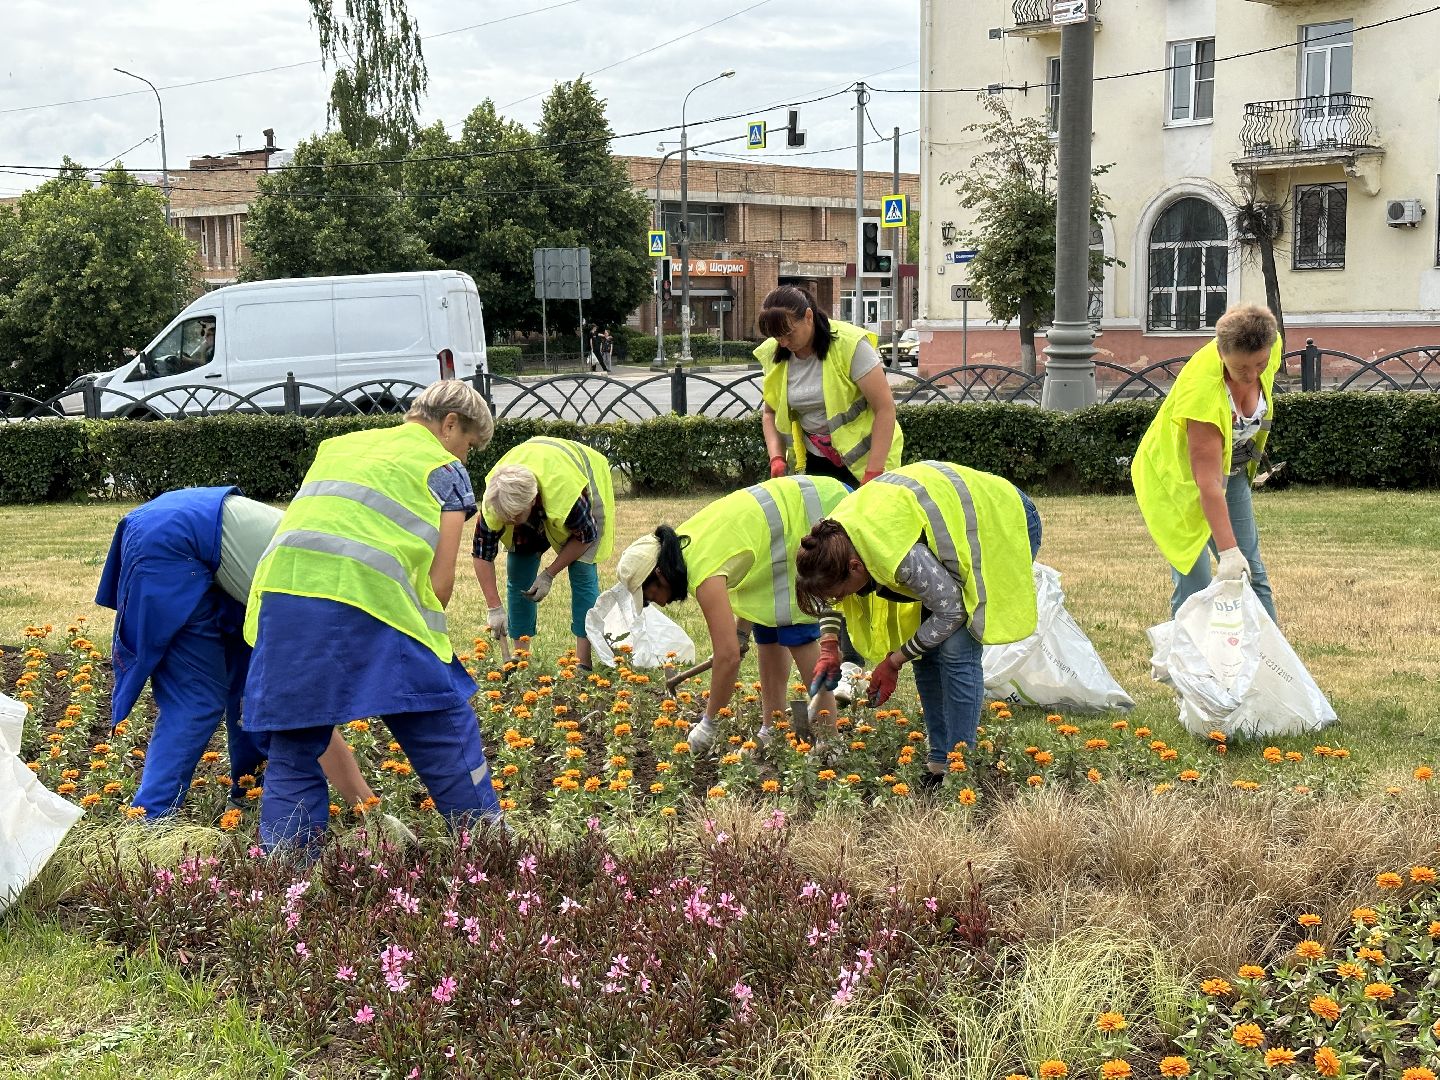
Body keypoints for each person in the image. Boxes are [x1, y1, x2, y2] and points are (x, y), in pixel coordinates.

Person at [243, 380, 501, 851]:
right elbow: (440, 584)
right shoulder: (443, 468)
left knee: (296, 745)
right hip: (366, 598)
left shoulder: (338, 446)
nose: (467, 457)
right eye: (469, 446)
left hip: (283, 600)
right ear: (449, 425)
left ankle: (284, 884)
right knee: (441, 722)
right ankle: (488, 849)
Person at [94, 487, 380, 820]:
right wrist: (367, 807)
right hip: (174, 543)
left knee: (250, 687)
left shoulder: (332, 579)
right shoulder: (318, 603)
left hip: (189, 528)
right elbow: (310, 716)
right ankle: (150, 821)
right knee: (197, 698)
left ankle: (248, 793)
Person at [794, 461, 1042, 788]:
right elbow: (830, 595)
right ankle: (939, 763)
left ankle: (960, 770)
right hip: (945, 532)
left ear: (855, 567)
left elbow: (951, 611)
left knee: (955, 650)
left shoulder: (900, 556)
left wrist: (895, 660)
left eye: (841, 594)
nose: (840, 602)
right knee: (927, 655)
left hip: (1001, 518)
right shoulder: (835, 543)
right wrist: (829, 646)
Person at [615, 475, 849, 752]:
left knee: (796, 632)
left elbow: (727, 656)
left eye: (652, 595)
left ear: (659, 574)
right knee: (768, 628)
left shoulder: (703, 570)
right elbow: (748, 547)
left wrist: (709, 723)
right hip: (785, 530)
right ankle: (771, 729)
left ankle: (830, 740)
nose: (658, 603)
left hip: (818, 512)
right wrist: (741, 631)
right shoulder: (683, 544)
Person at [756, 284, 904, 704]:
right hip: (819, 465)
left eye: (788, 332)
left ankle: (858, 657)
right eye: (775, 336)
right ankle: (835, 654)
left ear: (808, 317)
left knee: (860, 557)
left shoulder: (850, 346)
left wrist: (874, 474)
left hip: (867, 463)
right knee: (826, 556)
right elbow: (769, 412)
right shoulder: (776, 354)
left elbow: (885, 409)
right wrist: (776, 458)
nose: (782, 342)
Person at [1131, 304, 1283, 623]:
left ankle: (1272, 666)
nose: (1253, 374)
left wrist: (1235, 554)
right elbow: (1208, 484)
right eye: (1242, 369)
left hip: (1233, 472)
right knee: (1194, 583)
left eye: (1261, 364)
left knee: (1251, 576)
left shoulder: (1270, 343)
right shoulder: (1203, 393)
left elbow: (1221, 479)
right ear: (1221, 352)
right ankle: (1187, 665)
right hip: (1178, 482)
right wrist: (1227, 552)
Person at [473, 437, 614, 669]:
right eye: (504, 517)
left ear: (532, 500)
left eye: (514, 516)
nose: (508, 522)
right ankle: (521, 660)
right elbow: (481, 553)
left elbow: (585, 538)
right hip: (535, 486)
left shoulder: (567, 493)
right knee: (518, 568)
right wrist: (494, 607)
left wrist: (549, 574)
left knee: (582, 571)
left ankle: (583, 664)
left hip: (584, 476)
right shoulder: (496, 498)